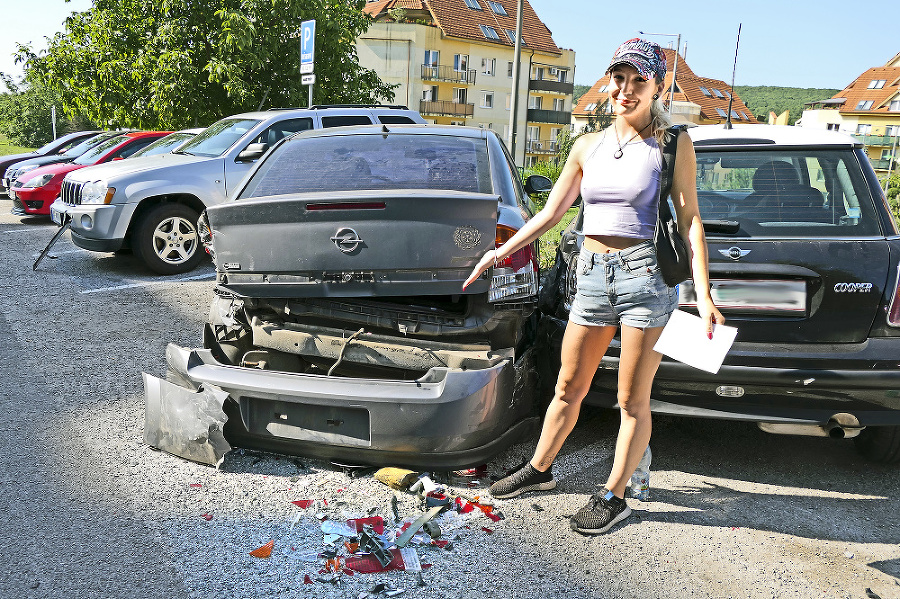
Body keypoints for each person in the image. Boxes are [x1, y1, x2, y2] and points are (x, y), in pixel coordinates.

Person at [462, 38, 724, 534]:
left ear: (657, 86)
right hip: (592, 276)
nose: (625, 90)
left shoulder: (671, 144)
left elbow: (690, 219)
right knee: (568, 386)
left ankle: (615, 495)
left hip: (646, 277)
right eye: (618, 79)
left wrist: (705, 295)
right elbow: (550, 212)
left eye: (637, 81)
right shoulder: (589, 145)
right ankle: (539, 470)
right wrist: (498, 252)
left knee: (631, 400)